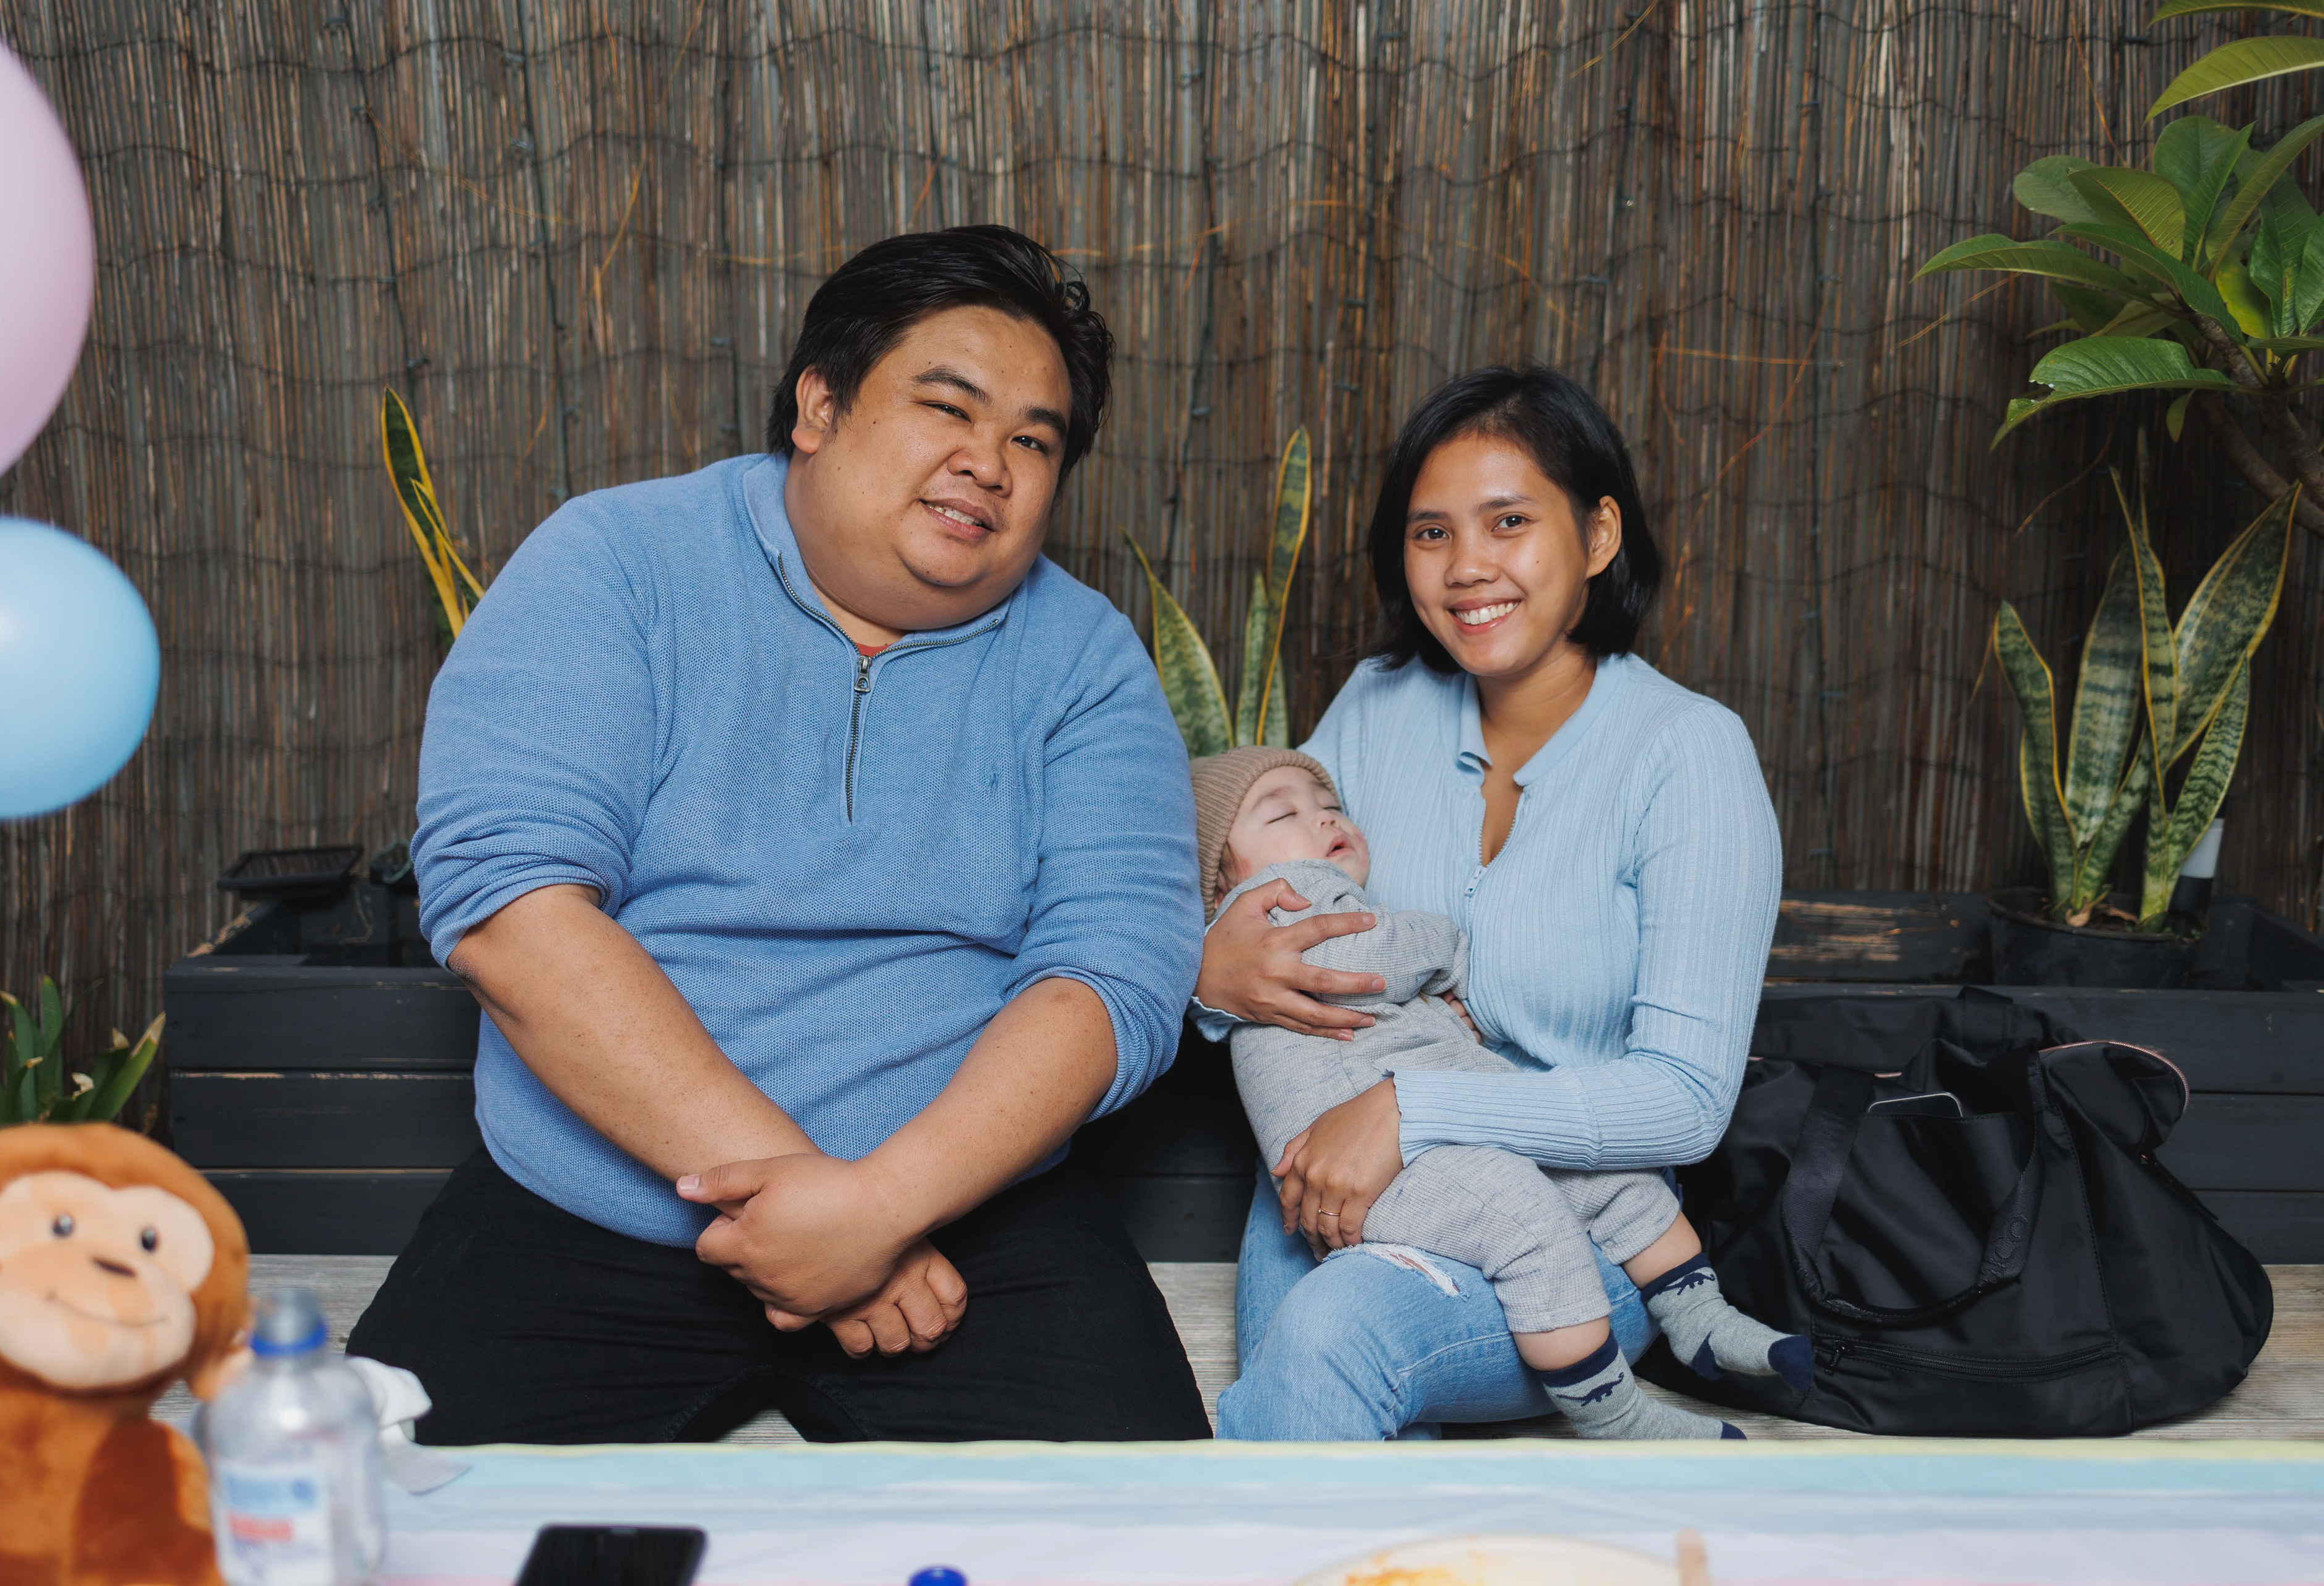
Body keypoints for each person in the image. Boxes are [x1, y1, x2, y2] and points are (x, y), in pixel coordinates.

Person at [348, 226, 1213, 1444]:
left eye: (1034, 440)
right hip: (591, 1198)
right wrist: (816, 1216)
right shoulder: (616, 562)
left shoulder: (1086, 662)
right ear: (819, 405)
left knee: (1144, 1531)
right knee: (368, 1513)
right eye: (948, 408)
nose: (990, 464)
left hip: (964, 1221)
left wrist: (883, 1209)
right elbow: (510, 911)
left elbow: (1114, 974)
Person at [1197, 366, 1782, 1440]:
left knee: (1330, 1338)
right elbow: (1237, 872)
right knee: (1323, 1399)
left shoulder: (1688, 755)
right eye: (1431, 533)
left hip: (1572, 1230)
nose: (1467, 567)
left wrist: (1413, 1110)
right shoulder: (1378, 708)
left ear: (1598, 535)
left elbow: (1687, 1102)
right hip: (1340, 1182)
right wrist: (1209, 972)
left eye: (1509, 522)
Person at [1190, 749, 1809, 1440]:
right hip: (1386, 1164)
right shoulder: (1286, 895)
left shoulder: (1687, 753)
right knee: (1526, 1207)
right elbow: (1359, 958)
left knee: (1605, 1178)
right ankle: (1619, 1412)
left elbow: (1686, 1102)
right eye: (1284, 814)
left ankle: (1700, 1317)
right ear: (1221, 879)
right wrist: (1445, 949)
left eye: (1330, 805)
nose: (1325, 817)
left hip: (1449, 1123)